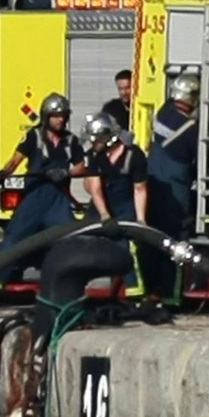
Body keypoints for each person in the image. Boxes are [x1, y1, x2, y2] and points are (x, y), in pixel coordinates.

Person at [0, 92, 86, 286]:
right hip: (34, 196)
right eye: (56, 116)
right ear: (46, 116)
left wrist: (65, 173)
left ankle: (70, 282)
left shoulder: (71, 141)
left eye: (63, 116)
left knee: (70, 239)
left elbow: (81, 167)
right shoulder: (33, 136)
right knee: (15, 236)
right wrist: (2, 174)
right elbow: (16, 160)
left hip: (58, 199)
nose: (60, 120)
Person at [143, 73, 200, 298]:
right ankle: (172, 294)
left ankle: (149, 288)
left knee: (153, 241)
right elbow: (202, 158)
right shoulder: (191, 130)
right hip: (176, 194)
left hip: (153, 184)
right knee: (176, 243)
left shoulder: (162, 113)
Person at [82, 111, 148, 295]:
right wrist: (104, 216)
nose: (93, 144)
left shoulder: (134, 156)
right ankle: (76, 288)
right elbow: (94, 189)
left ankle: (135, 292)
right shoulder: (95, 156)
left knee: (127, 247)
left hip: (125, 204)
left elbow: (139, 189)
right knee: (82, 244)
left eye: (96, 140)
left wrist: (141, 221)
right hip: (99, 205)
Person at [101, 69, 133, 139]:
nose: (124, 92)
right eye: (120, 89)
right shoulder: (110, 109)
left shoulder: (142, 108)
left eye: (127, 88)